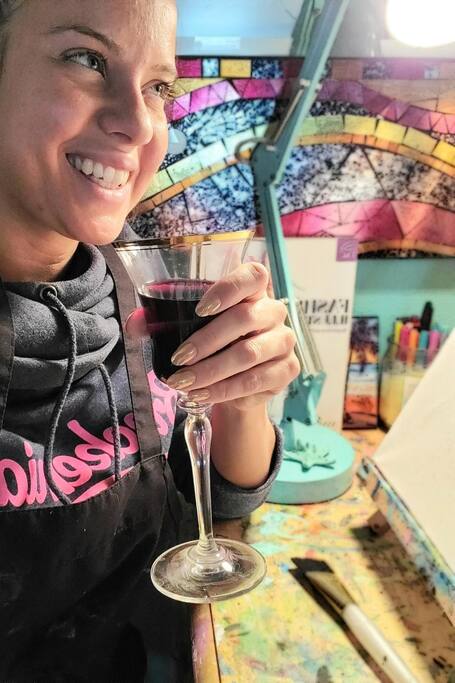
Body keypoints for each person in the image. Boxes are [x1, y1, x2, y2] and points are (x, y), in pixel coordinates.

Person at [0, 0, 299, 680]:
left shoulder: (137, 284)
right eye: (86, 59)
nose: (138, 124)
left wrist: (243, 398)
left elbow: (221, 504)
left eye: (159, 86)